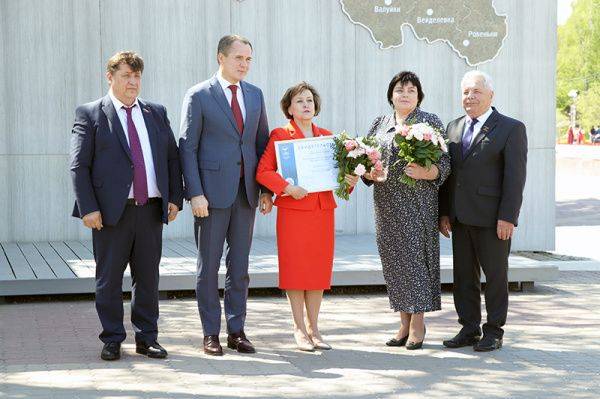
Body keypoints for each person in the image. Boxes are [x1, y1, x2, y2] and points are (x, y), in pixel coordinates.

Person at [70, 51, 184, 361]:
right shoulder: (91, 113)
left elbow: (172, 158)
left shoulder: (156, 113)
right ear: (110, 77)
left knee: (148, 277)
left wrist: (174, 198)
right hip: (109, 214)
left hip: (150, 210)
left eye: (136, 76)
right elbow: (79, 166)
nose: (132, 82)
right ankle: (112, 339)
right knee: (108, 278)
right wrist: (88, 207)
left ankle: (147, 338)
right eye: (125, 76)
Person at [178, 34, 272, 356]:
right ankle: (210, 334)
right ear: (221, 57)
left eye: (248, 59)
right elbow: (187, 148)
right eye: (238, 58)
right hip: (211, 197)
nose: (244, 64)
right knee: (208, 267)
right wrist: (195, 193)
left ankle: (236, 330)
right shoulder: (199, 95)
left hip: (246, 194)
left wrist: (265, 190)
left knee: (240, 266)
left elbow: (262, 145)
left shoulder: (256, 95)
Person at [256, 82, 358, 351]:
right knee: (295, 269)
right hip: (293, 211)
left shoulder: (327, 137)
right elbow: (263, 171)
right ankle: (299, 328)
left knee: (317, 270)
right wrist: (287, 187)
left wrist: (350, 179)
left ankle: (315, 328)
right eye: (300, 101)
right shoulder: (280, 135)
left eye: (310, 100)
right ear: (289, 108)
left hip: (322, 211)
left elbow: (340, 181)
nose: (306, 105)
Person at [439, 70, 527, 352]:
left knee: (496, 275)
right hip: (460, 217)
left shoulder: (511, 128)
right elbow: (448, 175)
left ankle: (494, 330)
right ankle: (469, 328)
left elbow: (515, 178)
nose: (470, 96)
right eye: (465, 92)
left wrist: (508, 216)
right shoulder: (452, 127)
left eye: (476, 91)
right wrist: (444, 212)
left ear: (491, 95)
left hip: (493, 218)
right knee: (464, 275)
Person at [362, 71, 450, 350]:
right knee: (394, 263)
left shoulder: (429, 122)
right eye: (400, 90)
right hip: (386, 204)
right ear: (391, 94)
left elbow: (446, 163)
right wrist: (368, 173)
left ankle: (417, 324)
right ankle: (402, 321)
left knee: (416, 262)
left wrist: (430, 171)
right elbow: (365, 159)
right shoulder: (380, 123)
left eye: (411, 90)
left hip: (418, 203)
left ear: (419, 96)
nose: (405, 94)